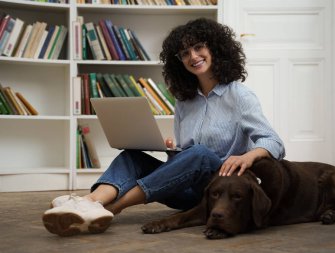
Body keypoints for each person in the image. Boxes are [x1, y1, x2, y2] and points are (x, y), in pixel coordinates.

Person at [42, 18, 285, 237]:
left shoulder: (239, 95)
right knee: (132, 156)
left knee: (200, 155)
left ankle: (113, 208)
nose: (193, 56)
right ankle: (90, 202)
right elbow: (186, 156)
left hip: (218, 190)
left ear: (215, 48)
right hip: (187, 191)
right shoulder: (184, 101)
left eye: (199, 47)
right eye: (185, 53)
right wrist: (173, 151)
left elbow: (273, 141)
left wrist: (250, 154)